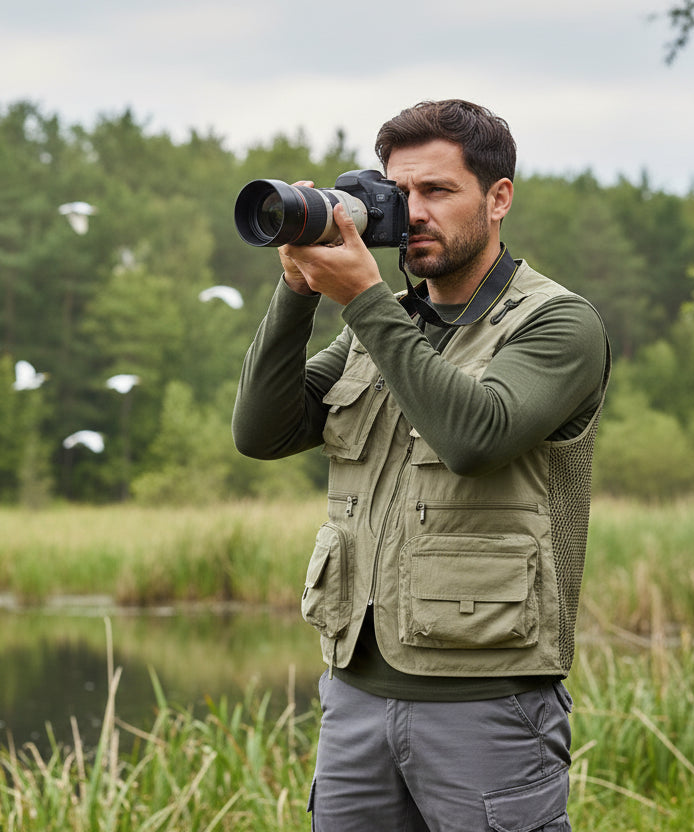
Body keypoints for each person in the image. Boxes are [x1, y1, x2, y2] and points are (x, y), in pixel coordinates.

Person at [232, 99, 610, 832]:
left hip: (487, 704)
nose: (414, 213)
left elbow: (476, 437)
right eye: (400, 193)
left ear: (498, 197)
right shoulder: (390, 322)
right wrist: (297, 291)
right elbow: (261, 431)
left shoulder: (558, 323)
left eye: (437, 191)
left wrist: (364, 299)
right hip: (354, 696)